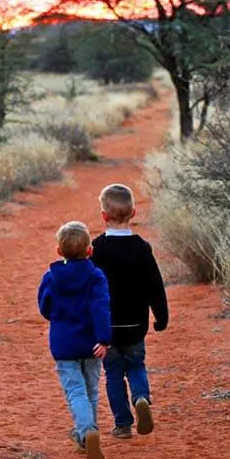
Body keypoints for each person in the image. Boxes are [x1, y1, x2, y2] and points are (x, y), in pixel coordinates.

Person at [91, 184, 169, 438]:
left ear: (103, 216)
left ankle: (123, 424)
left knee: (113, 374)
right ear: (134, 213)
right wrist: (161, 316)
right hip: (136, 324)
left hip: (107, 328)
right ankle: (141, 398)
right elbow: (155, 285)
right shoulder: (141, 248)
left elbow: (89, 288)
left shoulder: (96, 249)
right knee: (136, 365)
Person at [38, 221, 111, 459]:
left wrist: (59, 319)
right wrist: (104, 338)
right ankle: (88, 433)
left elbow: (45, 307)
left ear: (59, 251)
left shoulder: (51, 277)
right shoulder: (96, 276)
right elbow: (100, 308)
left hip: (63, 344)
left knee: (75, 390)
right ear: (90, 250)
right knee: (90, 389)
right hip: (92, 343)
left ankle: (86, 431)